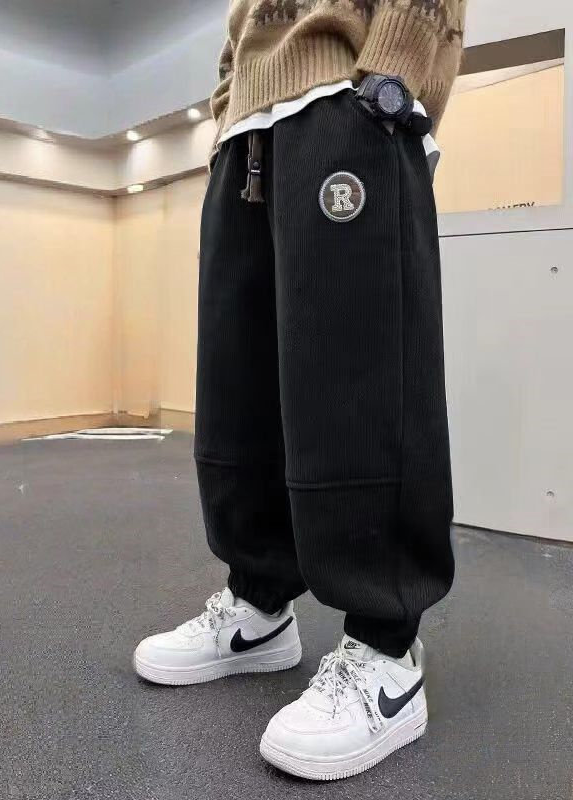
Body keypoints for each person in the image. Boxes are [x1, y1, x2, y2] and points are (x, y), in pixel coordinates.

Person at [134, 0, 467, 781]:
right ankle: (258, 604)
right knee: (240, 384)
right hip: (249, 132)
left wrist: (394, 67)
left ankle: (387, 649)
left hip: (349, 97)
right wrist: (229, 108)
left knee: (360, 372)